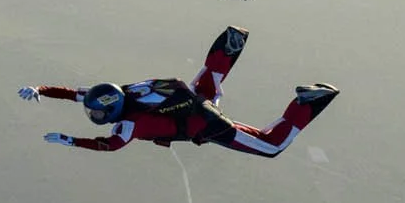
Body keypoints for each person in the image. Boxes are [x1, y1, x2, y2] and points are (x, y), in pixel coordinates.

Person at [19, 27, 335, 157]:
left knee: (271, 146)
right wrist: (40, 89)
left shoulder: (130, 123)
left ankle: (308, 101)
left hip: (206, 122)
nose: (94, 114)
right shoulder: (120, 92)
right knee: (209, 79)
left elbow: (110, 146)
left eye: (98, 113)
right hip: (192, 101)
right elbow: (74, 93)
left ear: (112, 109)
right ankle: (231, 42)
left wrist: (71, 140)